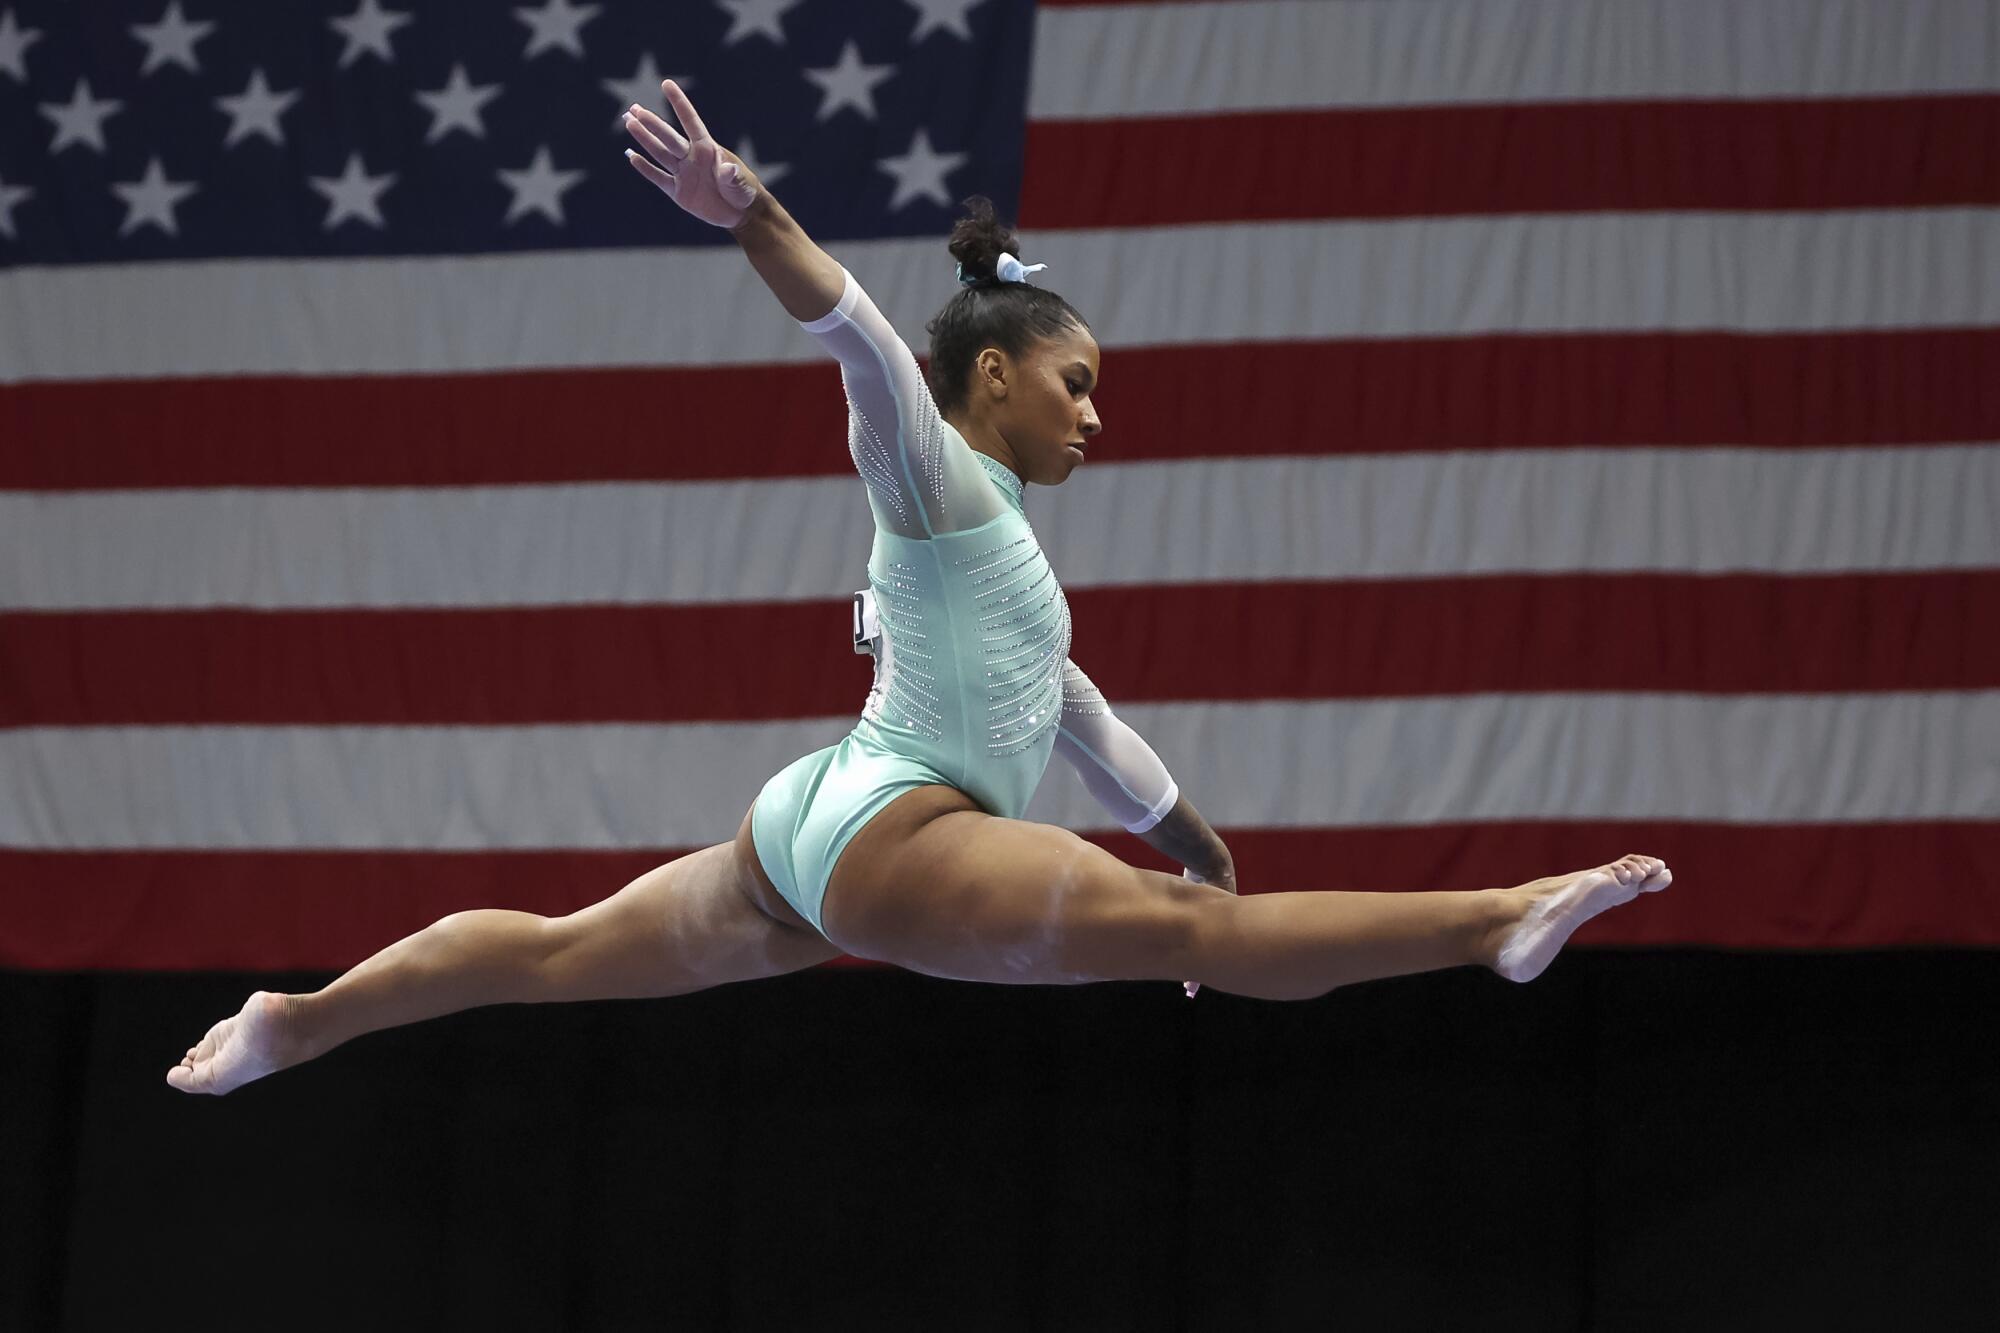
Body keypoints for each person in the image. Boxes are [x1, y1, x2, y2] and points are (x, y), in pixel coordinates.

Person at [168, 81, 1670, 1096]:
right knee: (1188, 943)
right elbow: (876, 352)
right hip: (897, 828)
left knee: (559, 953)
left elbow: (1075, 716)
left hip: (821, 812)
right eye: (1076, 384)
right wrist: (750, 209)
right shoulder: (939, 480)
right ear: (998, 376)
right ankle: (1490, 919)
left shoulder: (996, 543)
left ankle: (298, 1021)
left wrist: (1202, 842)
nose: (1096, 413)